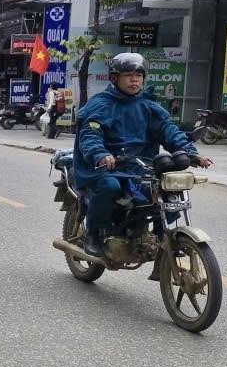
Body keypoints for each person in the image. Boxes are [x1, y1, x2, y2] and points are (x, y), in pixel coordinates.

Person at [74, 52, 212, 257]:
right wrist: (100, 154)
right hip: (106, 167)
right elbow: (90, 134)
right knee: (109, 187)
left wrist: (191, 154)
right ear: (114, 78)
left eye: (138, 76)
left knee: (168, 191)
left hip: (140, 168)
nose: (134, 80)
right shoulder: (100, 104)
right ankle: (93, 233)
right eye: (128, 75)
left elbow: (169, 131)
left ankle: (161, 236)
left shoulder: (148, 106)